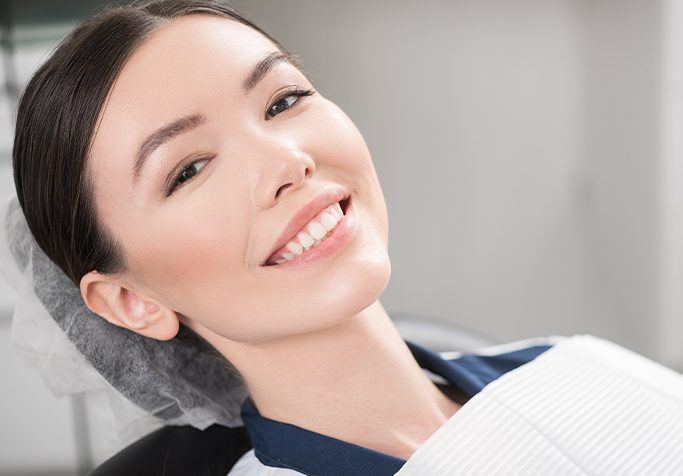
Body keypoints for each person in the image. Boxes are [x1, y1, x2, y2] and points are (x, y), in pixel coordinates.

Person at [8, 1, 683, 475]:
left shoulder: (573, 366)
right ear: (132, 302)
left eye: (281, 101)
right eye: (188, 169)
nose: (286, 160)